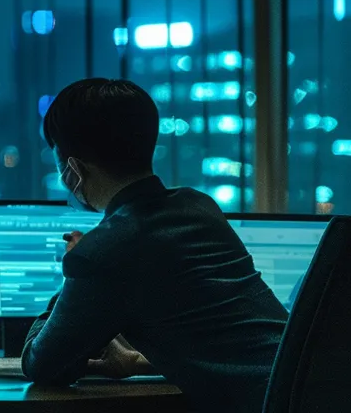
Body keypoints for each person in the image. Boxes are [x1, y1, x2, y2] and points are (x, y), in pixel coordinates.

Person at [23, 78, 286, 413]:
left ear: (73, 167)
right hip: (306, 389)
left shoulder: (103, 252)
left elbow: (42, 365)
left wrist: (72, 271)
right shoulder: (200, 207)